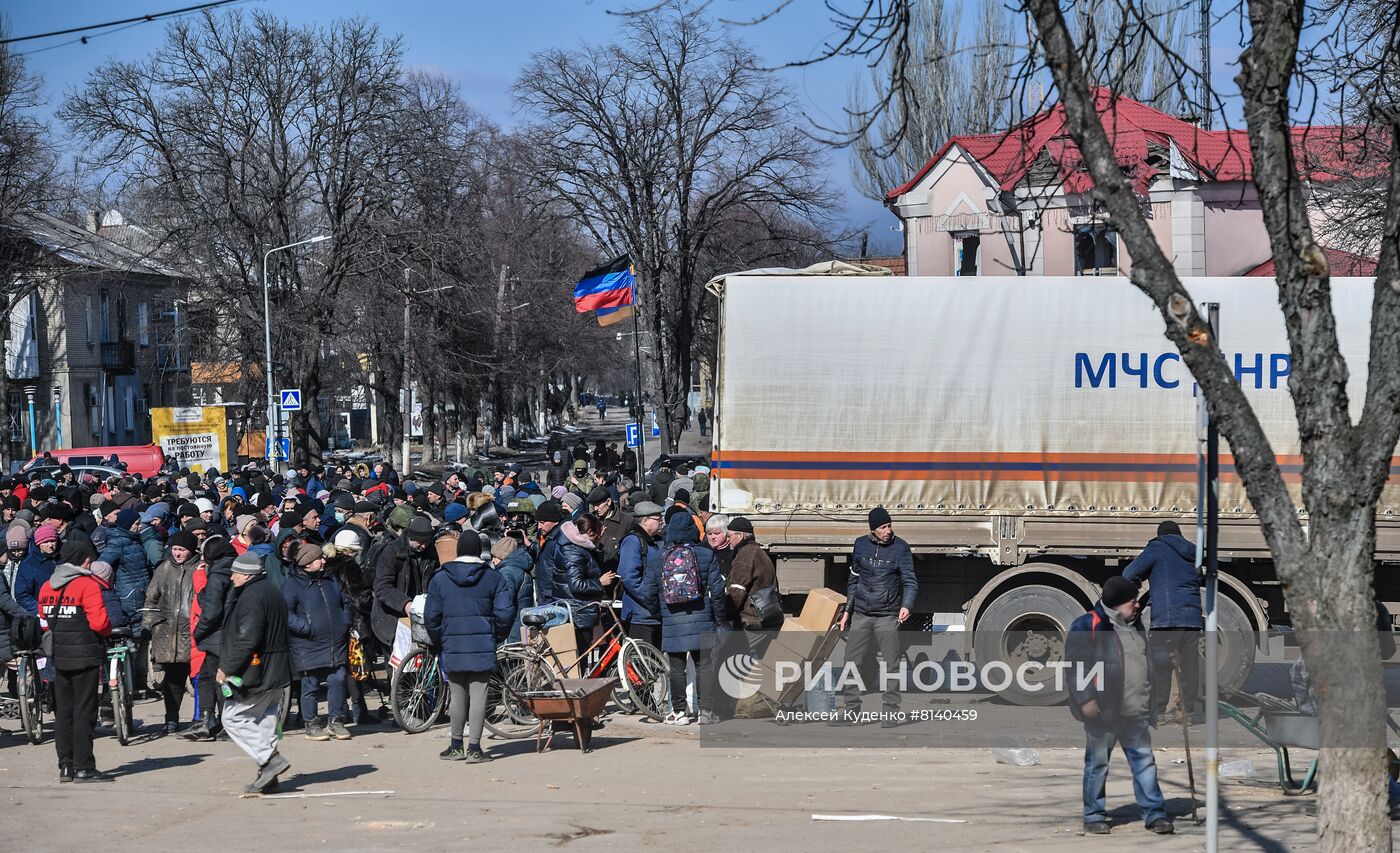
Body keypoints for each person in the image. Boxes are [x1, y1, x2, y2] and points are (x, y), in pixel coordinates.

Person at [1066, 576, 1173, 835]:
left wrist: (1166, 658)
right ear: (1116, 604)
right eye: (1132, 602)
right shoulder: (1088, 624)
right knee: (1098, 764)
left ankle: (1154, 814)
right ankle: (1093, 816)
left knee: (1145, 764)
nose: (1137, 606)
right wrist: (1086, 698)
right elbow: (1077, 665)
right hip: (1105, 712)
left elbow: (1139, 657)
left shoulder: (1134, 625)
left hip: (1135, 711)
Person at [424, 533, 513, 762]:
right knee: (479, 695)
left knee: (456, 695)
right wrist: (496, 636)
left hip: (452, 643)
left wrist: (439, 640)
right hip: (482, 643)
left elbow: (431, 617)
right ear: (479, 551)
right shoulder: (493, 578)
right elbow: (505, 612)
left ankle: (455, 746)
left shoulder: (440, 578)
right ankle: (474, 748)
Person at [37, 538, 114, 782]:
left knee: (64, 713)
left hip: (58, 657)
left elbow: (43, 620)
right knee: (84, 712)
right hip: (85, 656)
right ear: (85, 560)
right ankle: (84, 767)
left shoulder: (47, 586)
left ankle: (66, 767)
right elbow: (100, 623)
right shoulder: (86, 584)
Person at [833, 506, 916, 727]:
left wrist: (906, 605)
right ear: (873, 529)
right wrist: (846, 612)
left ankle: (890, 712)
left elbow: (910, 581)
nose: (888, 530)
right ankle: (851, 710)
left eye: (889, 526)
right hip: (861, 613)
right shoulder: (860, 545)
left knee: (892, 665)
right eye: (883, 527)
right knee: (851, 661)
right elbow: (853, 581)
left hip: (887, 616)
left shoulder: (901, 548)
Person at [219, 550, 293, 795]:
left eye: (235, 574)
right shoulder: (271, 591)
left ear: (247, 575)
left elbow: (247, 638)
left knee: (232, 717)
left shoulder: (251, 596)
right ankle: (268, 777)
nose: (232, 578)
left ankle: (270, 759)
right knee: (266, 719)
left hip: (259, 668)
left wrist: (227, 668)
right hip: (278, 667)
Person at [1124, 520, 1203, 723]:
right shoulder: (1193, 552)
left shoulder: (1158, 547)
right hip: (1192, 619)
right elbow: (1199, 577)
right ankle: (1186, 712)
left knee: (1161, 667)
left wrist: (1138, 581)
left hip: (1167, 619)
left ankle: (1158, 712)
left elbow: (1129, 572)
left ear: (1161, 534)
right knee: (1190, 667)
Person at [657, 511, 726, 726]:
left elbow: (649, 590)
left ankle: (680, 712)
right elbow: (718, 590)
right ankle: (705, 711)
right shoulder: (705, 555)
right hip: (702, 616)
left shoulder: (660, 556)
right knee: (704, 665)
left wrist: (660, 611)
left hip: (672, 619)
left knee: (676, 667)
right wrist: (719, 619)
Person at [283, 542, 353, 741]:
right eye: (318, 558)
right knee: (310, 684)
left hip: (335, 642)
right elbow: (286, 612)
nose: (323, 561)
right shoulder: (292, 585)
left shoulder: (330, 579)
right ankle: (311, 724)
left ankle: (336, 721)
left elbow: (345, 601)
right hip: (307, 644)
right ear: (306, 563)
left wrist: (344, 622)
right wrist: (305, 628)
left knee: (338, 679)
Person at [144, 529, 200, 734]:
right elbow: (152, 598)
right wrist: (148, 624)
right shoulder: (164, 569)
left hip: (191, 630)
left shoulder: (200, 569)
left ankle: (201, 717)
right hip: (166, 631)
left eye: (181, 550)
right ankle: (171, 718)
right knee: (173, 679)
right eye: (175, 549)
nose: (177, 553)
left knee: (197, 678)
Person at [186, 536, 237, 741]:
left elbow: (212, 608)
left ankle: (215, 721)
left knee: (214, 679)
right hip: (232, 632)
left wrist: (200, 631)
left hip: (218, 634)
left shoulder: (218, 574)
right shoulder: (237, 568)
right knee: (214, 677)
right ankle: (212, 720)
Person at [371, 515, 437, 648]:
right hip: (391, 618)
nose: (423, 546)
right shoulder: (392, 552)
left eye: (426, 541)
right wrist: (405, 604)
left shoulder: (431, 553)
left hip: (421, 616)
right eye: (419, 541)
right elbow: (382, 587)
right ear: (410, 537)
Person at [556, 513, 615, 650]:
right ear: (590, 531)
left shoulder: (579, 546)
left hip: (580, 609)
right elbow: (576, 584)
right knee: (580, 656)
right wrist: (600, 582)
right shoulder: (574, 551)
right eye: (599, 532)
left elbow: (591, 565)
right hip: (577, 612)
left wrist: (597, 541)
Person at [618, 501, 664, 648]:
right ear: (644, 521)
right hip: (639, 615)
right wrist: (650, 599)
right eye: (657, 519)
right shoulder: (633, 541)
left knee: (656, 663)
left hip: (655, 614)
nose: (661, 521)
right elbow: (629, 577)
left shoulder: (656, 541)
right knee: (642, 662)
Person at [725, 516, 778, 631]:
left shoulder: (745, 555)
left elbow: (737, 590)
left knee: (732, 649)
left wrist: (724, 614)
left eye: (729, 536)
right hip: (766, 615)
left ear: (740, 535)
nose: (727, 539)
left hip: (752, 619)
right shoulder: (757, 551)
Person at [489, 536, 533, 643]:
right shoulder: (521, 569)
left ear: (502, 556)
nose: (493, 560)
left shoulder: (506, 573)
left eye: (495, 556)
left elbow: (504, 605)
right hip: (522, 626)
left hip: (510, 632)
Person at [15, 523, 60, 614]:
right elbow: (22, 595)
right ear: (38, 543)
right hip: (42, 615)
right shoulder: (28, 564)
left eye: (53, 541)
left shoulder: (64, 558)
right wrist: (41, 611)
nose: (50, 545)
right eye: (45, 542)